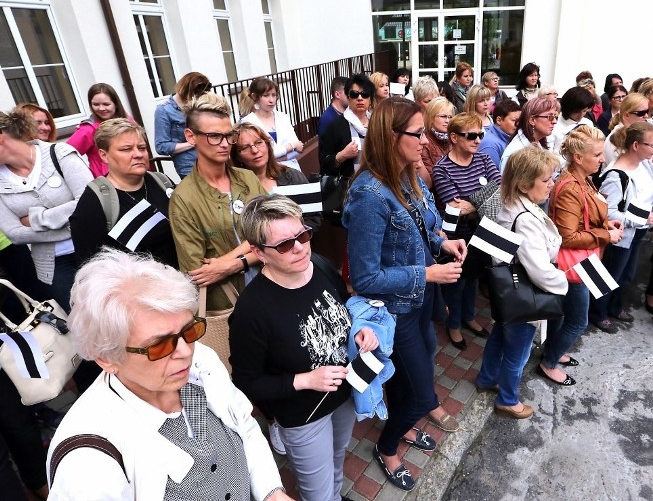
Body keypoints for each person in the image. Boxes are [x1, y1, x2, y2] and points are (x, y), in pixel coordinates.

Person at [46, 249, 293, 501]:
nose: (185, 351)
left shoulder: (199, 362)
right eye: (159, 345)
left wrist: (271, 492)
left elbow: (244, 424)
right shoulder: (87, 465)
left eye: (189, 330)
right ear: (106, 358)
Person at [343, 97, 467, 491]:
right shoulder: (369, 196)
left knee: (407, 378)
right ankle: (387, 444)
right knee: (419, 393)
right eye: (417, 134)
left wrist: (442, 241)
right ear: (390, 137)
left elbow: (420, 226)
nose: (428, 141)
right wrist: (427, 272)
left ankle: (402, 427)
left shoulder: (407, 176)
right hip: (393, 312)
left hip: (418, 302)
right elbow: (365, 278)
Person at [229, 195, 377, 501]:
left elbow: (343, 309)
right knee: (316, 490)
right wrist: (305, 380)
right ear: (259, 252)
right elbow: (246, 381)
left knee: (338, 460)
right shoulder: (251, 311)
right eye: (284, 245)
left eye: (303, 235)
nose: (299, 247)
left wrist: (359, 331)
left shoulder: (320, 265)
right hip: (304, 413)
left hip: (345, 392)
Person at [476, 147, 565, 419]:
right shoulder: (525, 219)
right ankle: (508, 399)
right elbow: (539, 270)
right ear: (525, 185)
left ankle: (487, 378)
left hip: (508, 292)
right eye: (546, 180)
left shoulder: (513, 204)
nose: (552, 184)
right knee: (518, 351)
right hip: (523, 296)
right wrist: (563, 281)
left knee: (499, 336)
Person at [169, 93, 266, 311]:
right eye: (214, 136)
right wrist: (253, 247)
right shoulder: (184, 199)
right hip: (229, 304)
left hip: (270, 286)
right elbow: (196, 272)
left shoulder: (247, 178)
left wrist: (229, 264)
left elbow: (272, 235)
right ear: (190, 136)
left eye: (228, 135)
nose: (224, 144)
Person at [543, 125, 622, 377]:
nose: (603, 159)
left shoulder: (582, 179)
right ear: (578, 157)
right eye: (598, 154)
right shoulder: (570, 187)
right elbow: (568, 235)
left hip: (580, 261)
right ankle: (549, 363)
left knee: (561, 315)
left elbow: (582, 220)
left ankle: (553, 350)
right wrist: (606, 234)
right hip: (575, 265)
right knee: (578, 322)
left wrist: (604, 224)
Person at [0, 108, 92, 311]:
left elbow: (89, 201)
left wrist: (35, 219)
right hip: (54, 266)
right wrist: (70, 221)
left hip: (94, 250)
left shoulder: (58, 154)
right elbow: (14, 233)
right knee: (82, 324)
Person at [70, 118, 178, 268]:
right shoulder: (94, 203)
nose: (138, 154)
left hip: (182, 282)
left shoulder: (162, 182)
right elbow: (92, 269)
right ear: (103, 155)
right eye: (126, 149)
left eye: (141, 148)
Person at [432, 112, 500, 349]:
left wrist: (471, 203)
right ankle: (453, 325)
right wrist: (483, 200)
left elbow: (501, 189)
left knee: (474, 278)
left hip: (482, 229)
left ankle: (469, 317)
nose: (478, 140)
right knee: (457, 281)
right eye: (471, 135)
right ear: (453, 137)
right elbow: (454, 208)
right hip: (457, 234)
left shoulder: (483, 160)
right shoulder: (442, 169)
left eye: (481, 134)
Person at [589, 122, 653, 333]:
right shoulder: (616, 175)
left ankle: (615, 306)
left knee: (626, 275)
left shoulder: (645, 163)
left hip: (638, 231)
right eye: (652, 145)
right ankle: (598, 313)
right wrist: (641, 219)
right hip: (622, 234)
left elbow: (652, 180)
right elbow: (608, 213)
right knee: (610, 275)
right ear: (636, 145)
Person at [231, 121, 321, 231]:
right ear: (237, 156)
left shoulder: (292, 176)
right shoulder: (234, 187)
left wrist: (293, 236)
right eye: (245, 147)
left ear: (267, 145)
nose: (254, 150)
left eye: (259, 142)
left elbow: (314, 217)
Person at [67, 83, 133, 177]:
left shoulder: (127, 121)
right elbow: (65, 155)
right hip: (108, 182)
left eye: (106, 104)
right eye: (96, 104)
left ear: (116, 104)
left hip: (133, 176)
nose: (101, 108)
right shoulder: (88, 129)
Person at [154, 71, 212, 178]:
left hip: (210, 160)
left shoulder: (199, 105)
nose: (197, 98)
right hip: (189, 167)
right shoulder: (164, 111)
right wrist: (192, 143)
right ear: (186, 90)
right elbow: (161, 146)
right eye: (195, 95)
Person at [238, 77, 304, 171]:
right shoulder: (248, 122)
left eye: (274, 95)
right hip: (267, 174)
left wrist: (278, 157)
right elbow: (259, 154)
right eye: (266, 95)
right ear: (254, 97)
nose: (271, 100)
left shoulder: (283, 117)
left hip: (292, 171)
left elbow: (299, 149)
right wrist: (290, 146)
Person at [319, 74, 374, 181]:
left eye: (365, 94)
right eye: (354, 94)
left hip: (377, 185)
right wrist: (342, 155)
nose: (359, 98)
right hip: (347, 188)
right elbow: (324, 163)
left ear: (370, 99)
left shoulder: (376, 124)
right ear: (348, 98)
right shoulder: (336, 126)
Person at [500, 96, 560, 171]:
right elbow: (508, 182)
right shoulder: (515, 152)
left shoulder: (538, 142)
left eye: (555, 116)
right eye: (550, 117)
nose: (555, 121)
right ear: (532, 120)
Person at [417, 96, 454, 189]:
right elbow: (431, 182)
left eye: (450, 117)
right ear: (431, 117)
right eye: (443, 116)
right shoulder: (424, 142)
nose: (447, 121)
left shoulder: (453, 140)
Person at [604, 93, 650, 166]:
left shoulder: (638, 133)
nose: (646, 116)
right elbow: (617, 169)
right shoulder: (614, 139)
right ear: (627, 115)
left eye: (647, 111)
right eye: (641, 113)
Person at [552, 87, 597, 160]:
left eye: (584, 111)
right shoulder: (554, 127)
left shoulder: (587, 123)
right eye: (576, 112)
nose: (581, 115)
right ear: (568, 109)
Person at [479, 99, 521, 169]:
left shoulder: (512, 137)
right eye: (514, 120)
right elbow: (494, 177)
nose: (518, 124)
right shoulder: (490, 145)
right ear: (499, 120)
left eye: (519, 121)